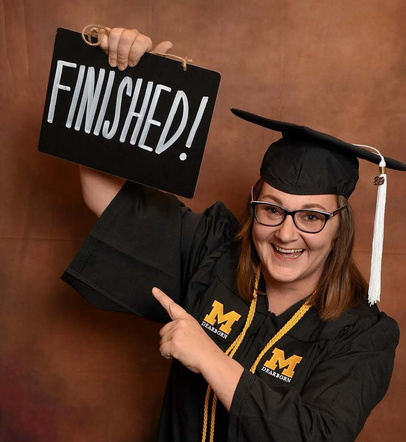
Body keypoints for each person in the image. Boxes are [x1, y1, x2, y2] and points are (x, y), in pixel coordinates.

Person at [62, 28, 405, 441]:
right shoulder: (213, 251)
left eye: (311, 217)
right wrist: (117, 78)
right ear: (253, 204)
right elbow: (104, 196)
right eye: (272, 209)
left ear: (339, 227)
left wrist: (210, 358)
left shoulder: (363, 334)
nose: (286, 234)